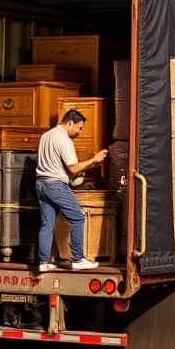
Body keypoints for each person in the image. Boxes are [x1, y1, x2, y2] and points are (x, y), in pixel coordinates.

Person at [35, 109, 108, 272]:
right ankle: (78, 259)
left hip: (41, 183)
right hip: (54, 185)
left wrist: (78, 172)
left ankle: (44, 262)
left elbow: (57, 166)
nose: (80, 132)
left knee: (47, 224)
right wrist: (94, 160)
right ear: (70, 123)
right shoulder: (64, 139)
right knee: (78, 217)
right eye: (79, 128)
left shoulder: (46, 136)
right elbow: (73, 168)